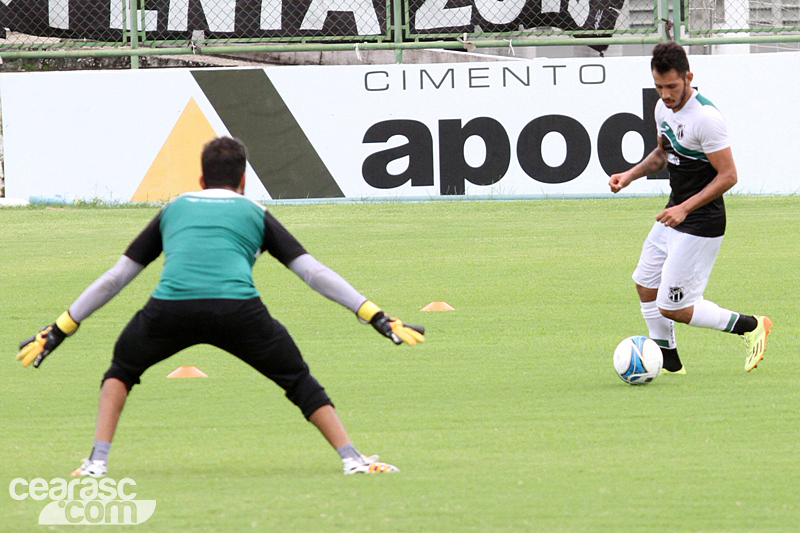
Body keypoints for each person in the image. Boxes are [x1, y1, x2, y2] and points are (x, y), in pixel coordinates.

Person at [17, 136, 424, 477]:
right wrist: (374, 314)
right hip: (239, 312)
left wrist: (60, 328)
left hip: (169, 310)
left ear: (200, 179)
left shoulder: (173, 210)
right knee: (298, 380)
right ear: (243, 181)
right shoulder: (255, 212)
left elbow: (116, 278)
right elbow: (312, 273)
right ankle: (352, 459)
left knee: (120, 372)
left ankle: (96, 463)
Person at [608, 41, 771, 374]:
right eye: (659, 87)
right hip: (674, 214)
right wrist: (630, 175)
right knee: (645, 283)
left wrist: (685, 209)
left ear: (688, 77)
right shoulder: (662, 109)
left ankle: (752, 325)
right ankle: (669, 363)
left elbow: (728, 176)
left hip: (701, 222)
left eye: (672, 86)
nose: (665, 94)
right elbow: (661, 155)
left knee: (674, 308)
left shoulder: (706, 119)